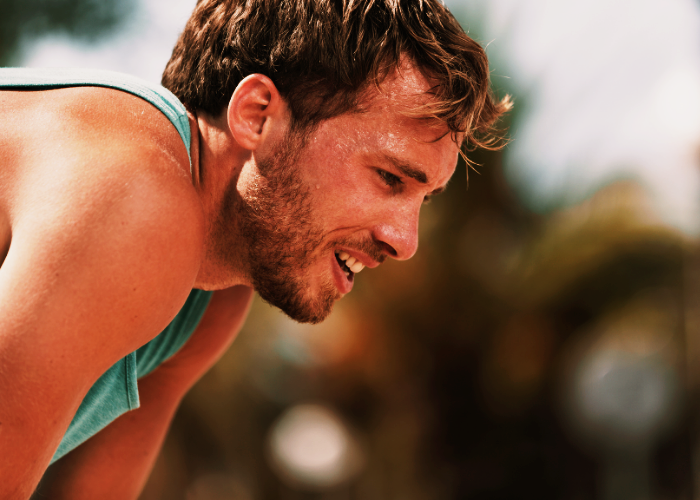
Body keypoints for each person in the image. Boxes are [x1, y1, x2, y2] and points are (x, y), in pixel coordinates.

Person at [0, 0, 510, 498]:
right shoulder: (136, 196)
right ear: (258, 116)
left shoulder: (211, 296)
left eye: (424, 198)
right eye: (390, 177)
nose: (405, 242)